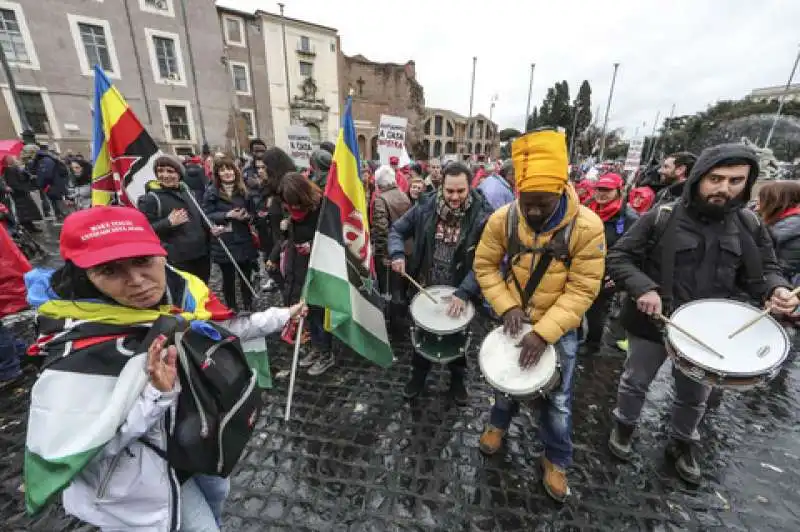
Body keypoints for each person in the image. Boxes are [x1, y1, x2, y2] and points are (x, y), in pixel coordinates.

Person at [23, 206, 305, 531]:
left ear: (160, 253)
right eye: (109, 270)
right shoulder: (76, 353)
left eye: (143, 261)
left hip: (201, 443)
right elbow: (90, 449)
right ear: (84, 274)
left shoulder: (182, 291)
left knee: (217, 501)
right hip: (147, 480)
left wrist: (284, 315)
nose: (137, 281)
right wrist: (157, 395)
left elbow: (225, 328)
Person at [606, 143, 798, 484]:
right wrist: (643, 287)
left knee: (696, 396)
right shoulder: (661, 216)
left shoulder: (750, 224)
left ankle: (682, 441)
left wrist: (776, 289)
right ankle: (624, 425)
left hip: (711, 334)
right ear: (698, 179)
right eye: (716, 179)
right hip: (654, 323)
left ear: (748, 182)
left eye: (736, 180)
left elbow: (765, 268)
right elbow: (621, 257)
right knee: (635, 381)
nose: (724, 188)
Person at [473, 129, 605, 502]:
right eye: (526, 202)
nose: (532, 211)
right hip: (514, 319)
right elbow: (484, 266)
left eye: (542, 204)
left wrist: (544, 332)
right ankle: (497, 424)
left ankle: (556, 458)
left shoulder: (588, 227)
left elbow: (583, 290)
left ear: (562, 191)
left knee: (558, 401)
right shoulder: (503, 219)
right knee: (504, 381)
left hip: (558, 329)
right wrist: (507, 306)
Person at [389, 162, 493, 404]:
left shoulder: (483, 215)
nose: (454, 197)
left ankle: (457, 381)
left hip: (461, 290)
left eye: (460, 191)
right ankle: (418, 377)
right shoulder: (424, 207)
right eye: (449, 191)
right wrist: (396, 254)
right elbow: (396, 231)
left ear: (470, 187)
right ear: (441, 187)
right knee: (422, 337)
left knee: (458, 339)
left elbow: (487, 261)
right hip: (426, 287)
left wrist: (465, 291)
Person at [279, 172, 335, 376]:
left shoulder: (322, 207)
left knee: (320, 312)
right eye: (288, 205)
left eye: (295, 204)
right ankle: (316, 348)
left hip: (320, 267)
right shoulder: (292, 210)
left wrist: (313, 246)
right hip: (300, 267)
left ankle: (326, 353)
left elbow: (333, 236)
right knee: (308, 311)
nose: (293, 209)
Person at [138, 154, 222, 284]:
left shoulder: (188, 192)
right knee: (184, 294)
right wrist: (168, 223)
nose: (165, 175)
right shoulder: (150, 199)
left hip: (201, 254)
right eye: (160, 171)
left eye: (170, 171)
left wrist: (211, 228)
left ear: (179, 174)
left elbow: (200, 217)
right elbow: (145, 231)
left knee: (202, 289)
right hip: (177, 258)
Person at [581, 173, 638, 354]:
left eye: (607, 190)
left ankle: (592, 344)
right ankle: (574, 337)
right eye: (599, 189)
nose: (601, 193)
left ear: (619, 191)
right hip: (581, 268)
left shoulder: (630, 218)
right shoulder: (587, 208)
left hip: (606, 275)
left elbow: (635, 252)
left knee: (595, 311)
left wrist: (618, 277)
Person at [202, 157, 259, 311]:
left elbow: (254, 213)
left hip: (243, 240)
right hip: (224, 242)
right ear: (217, 173)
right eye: (222, 170)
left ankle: (248, 305)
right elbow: (206, 215)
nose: (227, 172)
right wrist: (227, 215)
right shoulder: (211, 192)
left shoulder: (244, 190)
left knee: (245, 276)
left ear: (235, 170)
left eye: (229, 168)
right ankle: (231, 307)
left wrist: (247, 216)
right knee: (228, 278)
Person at [372, 165, 412, 330]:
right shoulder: (404, 195)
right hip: (406, 249)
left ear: (379, 184)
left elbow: (381, 230)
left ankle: (393, 324)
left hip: (390, 253)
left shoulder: (381, 200)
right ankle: (400, 319)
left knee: (390, 288)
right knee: (401, 286)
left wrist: (382, 254)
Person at [758, 180, 800, 284]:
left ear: (774, 201)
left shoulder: (790, 228)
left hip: (785, 288)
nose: (757, 201)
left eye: (761, 198)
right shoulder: (778, 222)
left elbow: (784, 267)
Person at [3, 154, 42, 232]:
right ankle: (28, 227)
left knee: (28, 210)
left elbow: (20, 178)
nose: (15, 159)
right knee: (24, 211)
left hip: (21, 191)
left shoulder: (14, 168)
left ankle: (30, 226)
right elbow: (14, 182)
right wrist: (24, 180)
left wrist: (26, 174)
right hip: (19, 193)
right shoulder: (10, 169)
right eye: (12, 158)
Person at [33, 146, 70, 221]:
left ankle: (67, 219)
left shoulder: (45, 161)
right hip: (54, 185)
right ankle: (62, 218)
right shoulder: (48, 159)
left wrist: (41, 183)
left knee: (58, 203)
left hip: (52, 185)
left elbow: (47, 175)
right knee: (56, 203)